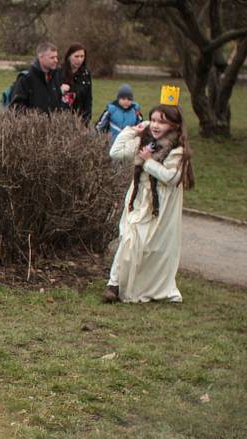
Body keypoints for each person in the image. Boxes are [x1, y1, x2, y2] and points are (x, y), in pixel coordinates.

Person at [103, 103, 194, 304]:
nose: (155, 125)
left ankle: (141, 285)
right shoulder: (145, 142)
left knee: (149, 247)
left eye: (161, 121)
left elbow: (171, 178)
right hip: (138, 200)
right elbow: (115, 153)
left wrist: (148, 162)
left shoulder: (177, 150)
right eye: (153, 120)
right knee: (129, 237)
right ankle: (114, 284)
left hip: (159, 205)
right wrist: (131, 131)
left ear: (173, 125)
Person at [9, 42, 63, 114]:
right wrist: (37, 116)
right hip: (32, 123)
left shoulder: (55, 76)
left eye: (56, 57)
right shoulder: (26, 79)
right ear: (41, 57)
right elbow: (16, 107)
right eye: (52, 58)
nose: (56, 60)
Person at [59, 43, 92, 125]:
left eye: (82, 56)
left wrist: (86, 120)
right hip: (60, 118)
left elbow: (88, 99)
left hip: (80, 119)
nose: (79, 60)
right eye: (76, 56)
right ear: (69, 56)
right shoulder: (58, 72)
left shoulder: (86, 74)